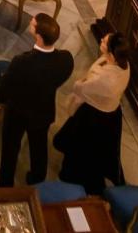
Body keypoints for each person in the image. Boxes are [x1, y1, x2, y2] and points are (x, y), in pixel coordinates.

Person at [0, 13, 75, 186]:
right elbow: (61, 78)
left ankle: (5, 182)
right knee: (39, 147)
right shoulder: (65, 59)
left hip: (17, 111)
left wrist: (1, 100)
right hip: (42, 111)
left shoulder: (21, 62)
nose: (30, 23)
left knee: (10, 148)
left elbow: (6, 87)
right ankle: (37, 179)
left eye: (32, 24)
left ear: (38, 36)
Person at [55, 31, 131, 194]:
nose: (101, 39)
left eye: (104, 41)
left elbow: (80, 88)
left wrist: (80, 82)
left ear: (111, 54)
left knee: (81, 150)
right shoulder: (122, 64)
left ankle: (71, 177)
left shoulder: (105, 81)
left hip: (94, 117)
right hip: (110, 112)